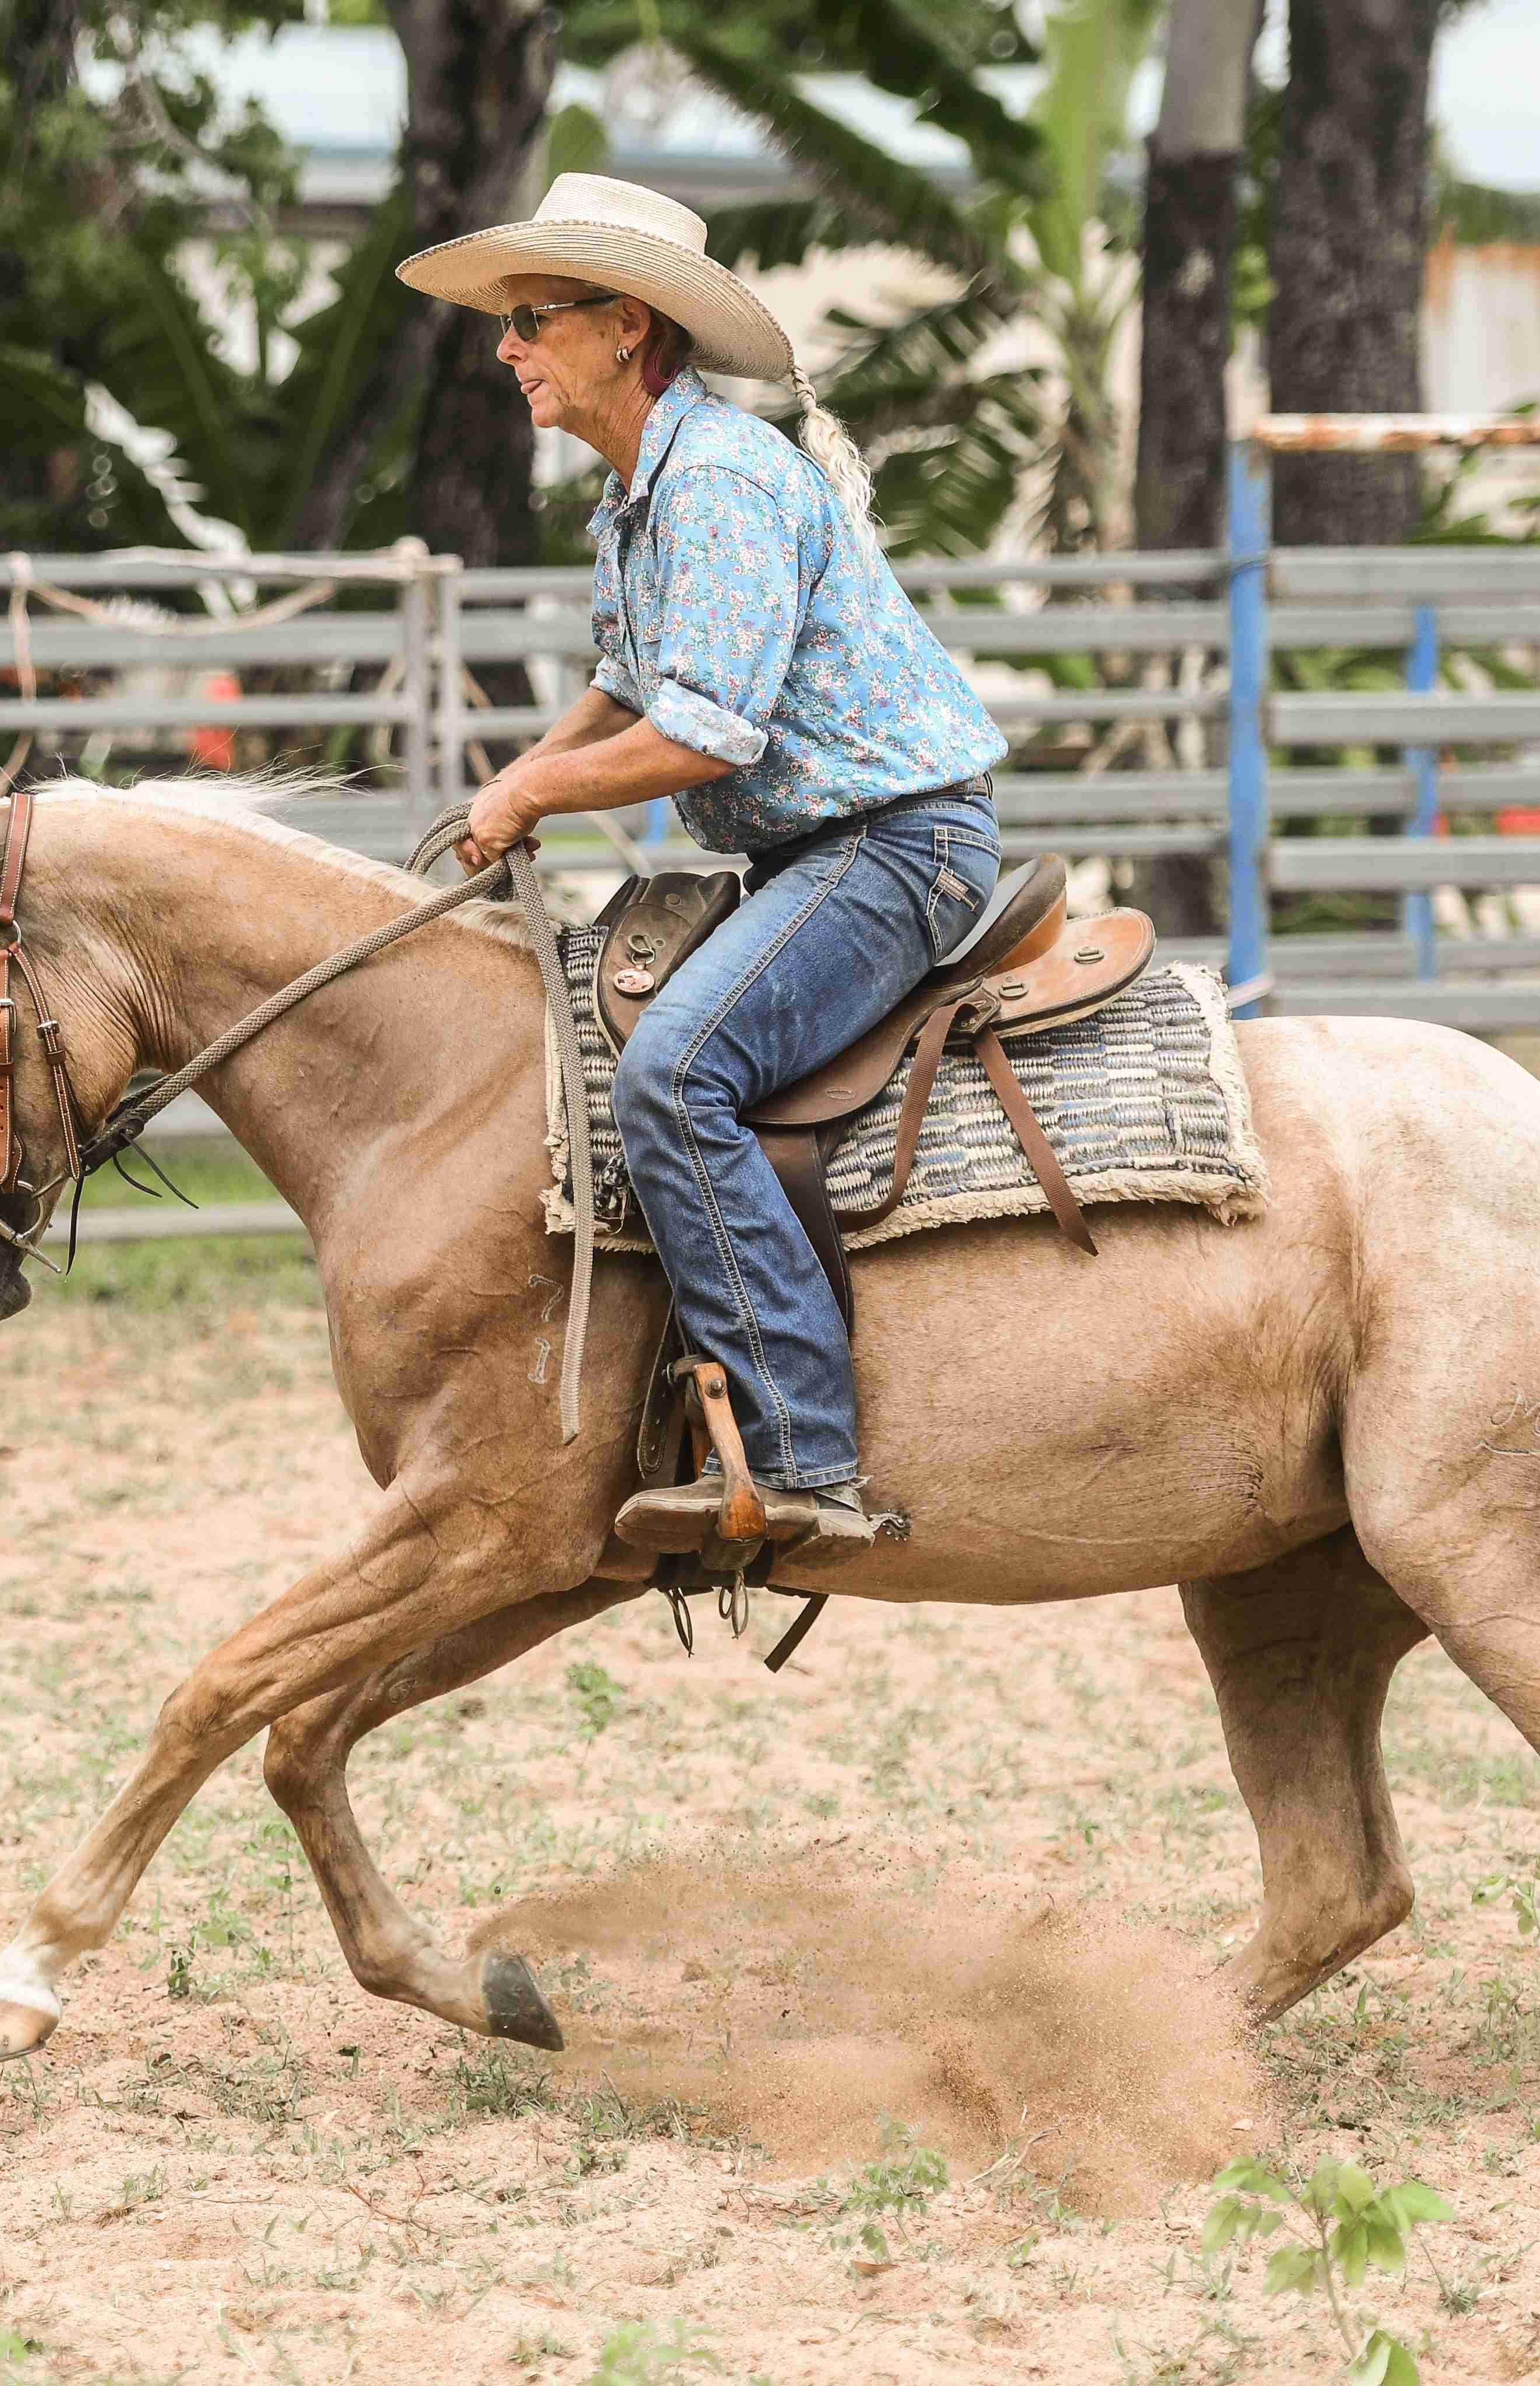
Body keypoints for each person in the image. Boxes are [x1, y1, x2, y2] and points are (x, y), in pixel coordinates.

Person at [401, 174, 1007, 1547]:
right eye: (507, 323)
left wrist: (531, 787)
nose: (505, 348)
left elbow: (704, 732)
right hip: (823, 849)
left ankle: (801, 1454)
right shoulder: (642, 494)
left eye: (531, 320)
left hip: (892, 844)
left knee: (674, 1075)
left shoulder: (719, 483)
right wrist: (518, 785)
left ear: (625, 326)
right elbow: (627, 687)